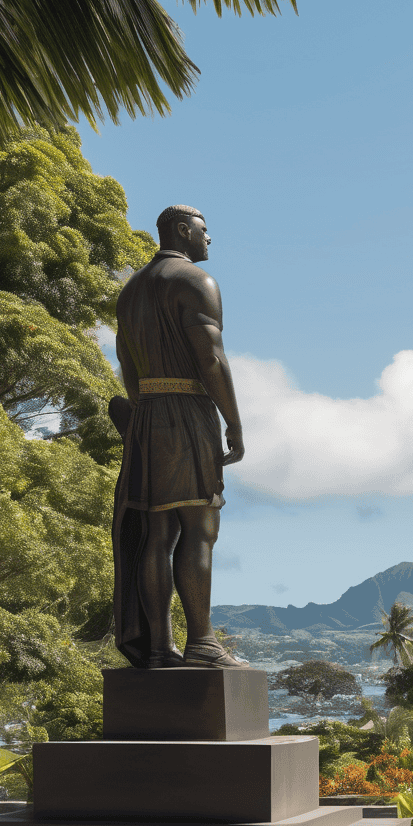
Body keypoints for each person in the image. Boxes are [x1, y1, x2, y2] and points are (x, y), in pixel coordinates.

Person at [110, 205, 248, 669]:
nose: (210, 241)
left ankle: (157, 649)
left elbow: (127, 368)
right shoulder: (195, 283)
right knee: (200, 525)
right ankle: (203, 643)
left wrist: (146, 412)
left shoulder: (130, 292)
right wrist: (233, 420)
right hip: (187, 410)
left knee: (157, 531)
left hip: (147, 414)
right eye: (206, 232)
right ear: (184, 231)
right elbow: (210, 357)